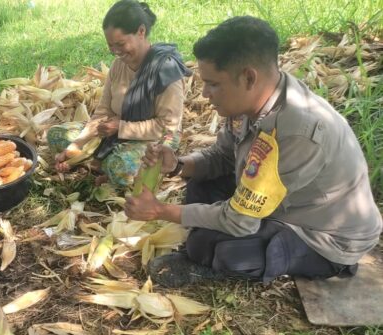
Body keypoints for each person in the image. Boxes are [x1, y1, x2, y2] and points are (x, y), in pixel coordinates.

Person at [124, 16, 383, 287]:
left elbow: (239, 221)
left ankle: (235, 258)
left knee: (213, 248)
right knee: (200, 185)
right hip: (275, 198)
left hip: (322, 234)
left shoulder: (298, 130)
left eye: (213, 84)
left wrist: (159, 211)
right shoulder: (252, 100)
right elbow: (223, 157)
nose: (204, 94)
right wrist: (178, 164)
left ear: (249, 77)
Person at [51, 0, 190, 187]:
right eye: (111, 46)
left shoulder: (165, 69)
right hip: (116, 130)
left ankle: (101, 165)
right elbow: (102, 113)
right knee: (57, 135)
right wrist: (77, 145)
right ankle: (98, 164)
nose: (116, 52)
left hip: (156, 137)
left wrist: (121, 127)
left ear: (141, 32)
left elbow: (167, 128)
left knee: (120, 166)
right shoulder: (119, 66)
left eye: (121, 44)